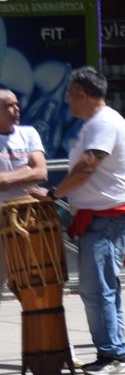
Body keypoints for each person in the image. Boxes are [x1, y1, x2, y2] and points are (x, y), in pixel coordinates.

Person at [47, 68, 125, 375]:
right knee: (104, 288)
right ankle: (114, 351)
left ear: (83, 95)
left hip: (107, 219)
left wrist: (54, 194)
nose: (67, 100)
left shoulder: (103, 122)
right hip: (101, 218)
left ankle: (113, 354)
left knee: (96, 289)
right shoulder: (97, 123)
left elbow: (88, 166)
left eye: (71, 94)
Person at [0, 87, 48, 283]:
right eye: (9, 106)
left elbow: (41, 172)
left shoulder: (29, 133)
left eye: (17, 104)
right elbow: (32, 170)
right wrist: (26, 170)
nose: (16, 109)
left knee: (29, 280)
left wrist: (5, 179)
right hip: (1, 216)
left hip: (27, 216)